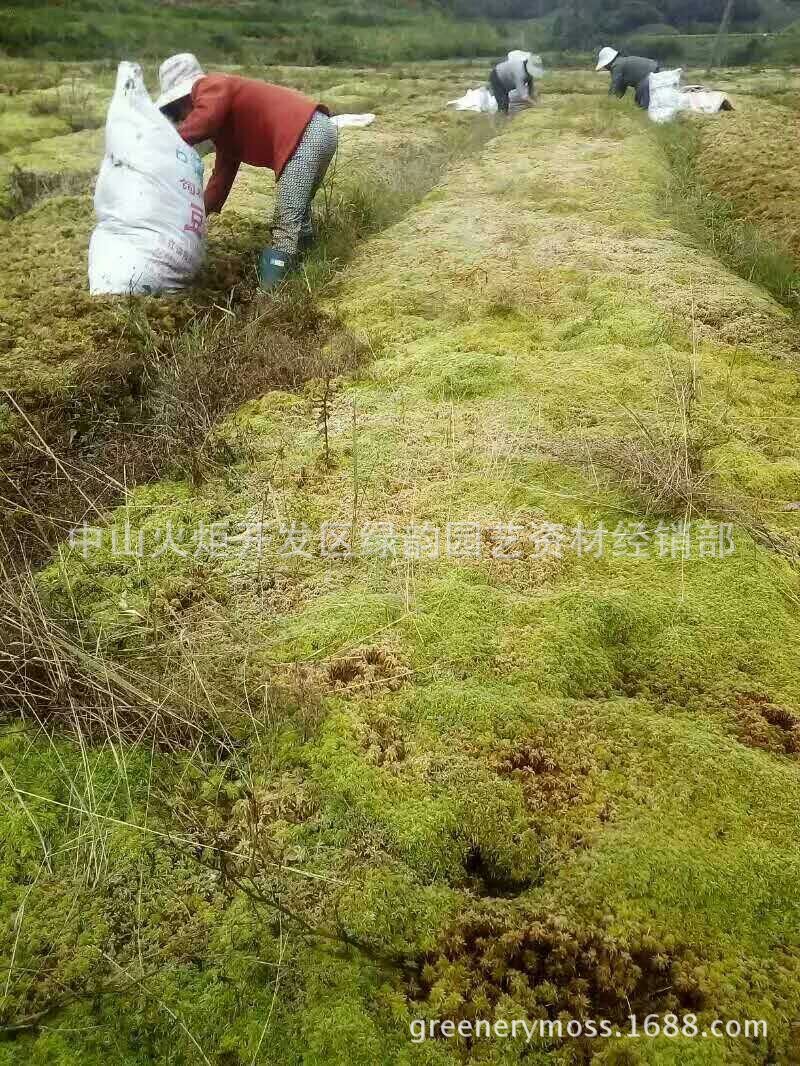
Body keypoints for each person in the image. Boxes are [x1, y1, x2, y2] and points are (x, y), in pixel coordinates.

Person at [156, 53, 338, 289]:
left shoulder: (212, 85)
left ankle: (270, 298)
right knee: (299, 218)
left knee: (286, 223)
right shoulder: (225, 131)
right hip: (320, 130)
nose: (184, 118)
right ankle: (309, 274)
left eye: (181, 113)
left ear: (183, 99)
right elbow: (220, 180)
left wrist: (167, 144)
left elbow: (206, 119)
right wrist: (197, 216)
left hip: (306, 135)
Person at [489, 50, 535, 115]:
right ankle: (500, 118)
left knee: (506, 99)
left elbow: (531, 87)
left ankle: (504, 114)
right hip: (497, 76)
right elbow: (524, 96)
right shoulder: (520, 73)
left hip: (507, 78)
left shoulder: (530, 71)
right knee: (503, 102)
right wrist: (535, 104)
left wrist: (533, 97)